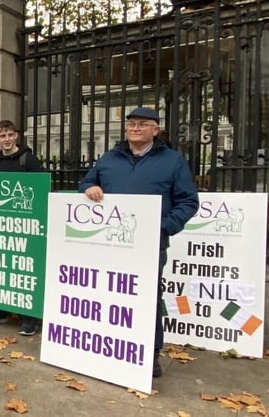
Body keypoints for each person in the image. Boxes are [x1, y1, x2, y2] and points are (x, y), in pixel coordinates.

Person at [79, 106, 198, 378]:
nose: (135, 128)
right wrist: (89, 188)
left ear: (155, 130)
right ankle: (109, 347)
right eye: (131, 124)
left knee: (148, 299)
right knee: (108, 296)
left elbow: (188, 202)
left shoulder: (172, 161)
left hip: (149, 247)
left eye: (142, 124)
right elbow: (85, 183)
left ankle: (150, 354)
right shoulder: (109, 158)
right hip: (110, 245)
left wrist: (163, 228)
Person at [0, 120, 43, 336]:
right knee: (1, 270)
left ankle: (29, 317)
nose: (6, 139)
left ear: (16, 136)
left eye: (9, 135)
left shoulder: (29, 159)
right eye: (2, 135)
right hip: (2, 226)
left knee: (25, 271)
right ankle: (0, 310)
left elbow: (43, 190)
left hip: (26, 224)